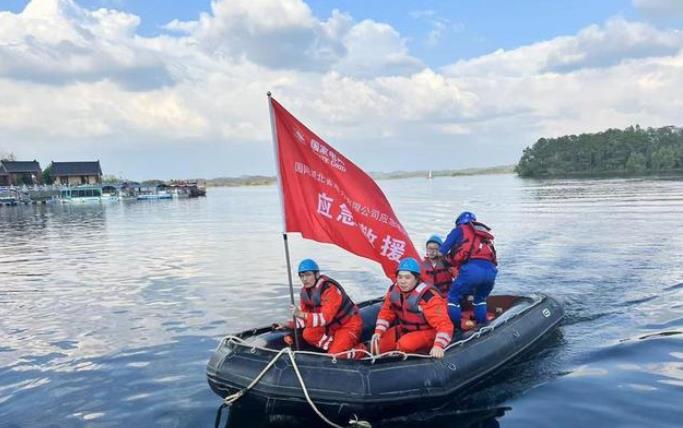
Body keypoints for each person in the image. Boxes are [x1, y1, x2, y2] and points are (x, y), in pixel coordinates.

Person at [278, 259, 365, 359]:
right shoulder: (305, 292)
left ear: (317, 274)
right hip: (331, 327)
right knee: (308, 334)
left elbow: (325, 318)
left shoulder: (329, 289)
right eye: (301, 276)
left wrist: (301, 314)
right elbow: (306, 318)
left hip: (348, 325)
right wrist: (288, 324)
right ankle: (335, 347)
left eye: (308, 275)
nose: (304, 279)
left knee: (336, 355)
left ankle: (362, 350)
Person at [371, 257, 454, 359]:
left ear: (416, 279)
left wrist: (438, 345)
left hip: (428, 332)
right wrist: (379, 331)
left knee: (405, 345)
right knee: (379, 346)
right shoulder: (393, 292)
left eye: (407, 277)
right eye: (400, 277)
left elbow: (444, 324)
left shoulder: (428, 297)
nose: (402, 281)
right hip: (404, 329)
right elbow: (386, 313)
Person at [439, 211, 497, 329]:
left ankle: (456, 329)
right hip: (491, 271)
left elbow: (441, 251)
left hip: (472, 270)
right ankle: (483, 325)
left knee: (453, 297)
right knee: (480, 298)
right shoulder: (483, 235)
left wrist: (441, 260)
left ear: (459, 222)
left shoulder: (459, 230)